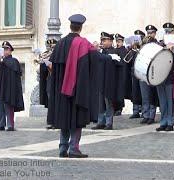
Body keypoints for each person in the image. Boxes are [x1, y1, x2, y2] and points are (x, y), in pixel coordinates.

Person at [47, 14, 119, 158]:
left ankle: (62, 147)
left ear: (70, 26)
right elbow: (97, 58)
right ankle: (74, 148)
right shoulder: (83, 43)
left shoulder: (60, 44)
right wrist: (110, 57)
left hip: (62, 90)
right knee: (76, 118)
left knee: (64, 117)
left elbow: (53, 65)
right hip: (76, 89)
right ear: (80, 27)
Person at [92, 32, 124, 130]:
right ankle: (101, 121)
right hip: (100, 81)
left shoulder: (113, 52)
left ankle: (109, 123)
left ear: (110, 41)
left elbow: (119, 66)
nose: (103, 42)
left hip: (109, 82)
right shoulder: (101, 52)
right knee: (100, 103)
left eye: (105, 40)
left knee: (108, 103)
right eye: (102, 40)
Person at [155, 22, 174, 131]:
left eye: (170, 32)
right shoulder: (159, 45)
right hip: (160, 77)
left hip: (170, 77)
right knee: (162, 101)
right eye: (166, 32)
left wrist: (173, 49)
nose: (168, 33)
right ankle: (163, 121)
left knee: (169, 101)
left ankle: (170, 121)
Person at [0, 41, 25, 131]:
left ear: (10, 50)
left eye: (7, 49)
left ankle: (10, 125)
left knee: (10, 106)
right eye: (4, 49)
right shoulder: (2, 62)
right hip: (4, 87)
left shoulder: (14, 61)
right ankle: (4, 124)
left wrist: (2, 61)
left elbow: (18, 73)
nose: (5, 51)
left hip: (12, 88)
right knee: (4, 106)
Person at [139, 25, 158, 125]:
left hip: (152, 73)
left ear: (155, 34)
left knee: (152, 95)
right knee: (145, 95)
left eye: (151, 33)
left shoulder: (157, 45)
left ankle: (151, 115)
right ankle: (145, 114)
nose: (149, 35)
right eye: (148, 33)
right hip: (142, 73)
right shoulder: (143, 44)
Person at [114, 33, 128, 116]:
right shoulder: (116, 50)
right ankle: (116, 108)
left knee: (120, 92)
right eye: (117, 41)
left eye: (119, 41)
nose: (118, 43)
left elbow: (124, 63)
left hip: (121, 73)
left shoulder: (124, 50)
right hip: (116, 73)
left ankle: (119, 108)